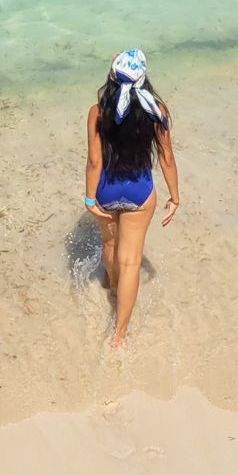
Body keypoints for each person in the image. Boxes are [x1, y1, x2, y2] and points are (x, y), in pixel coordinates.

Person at [84, 49, 179, 346]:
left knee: (110, 244)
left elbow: (95, 162)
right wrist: (175, 197)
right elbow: (166, 158)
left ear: (111, 77)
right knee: (130, 263)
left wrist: (89, 200)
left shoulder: (98, 112)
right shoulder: (157, 111)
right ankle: (119, 336)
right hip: (140, 192)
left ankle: (112, 289)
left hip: (106, 190)